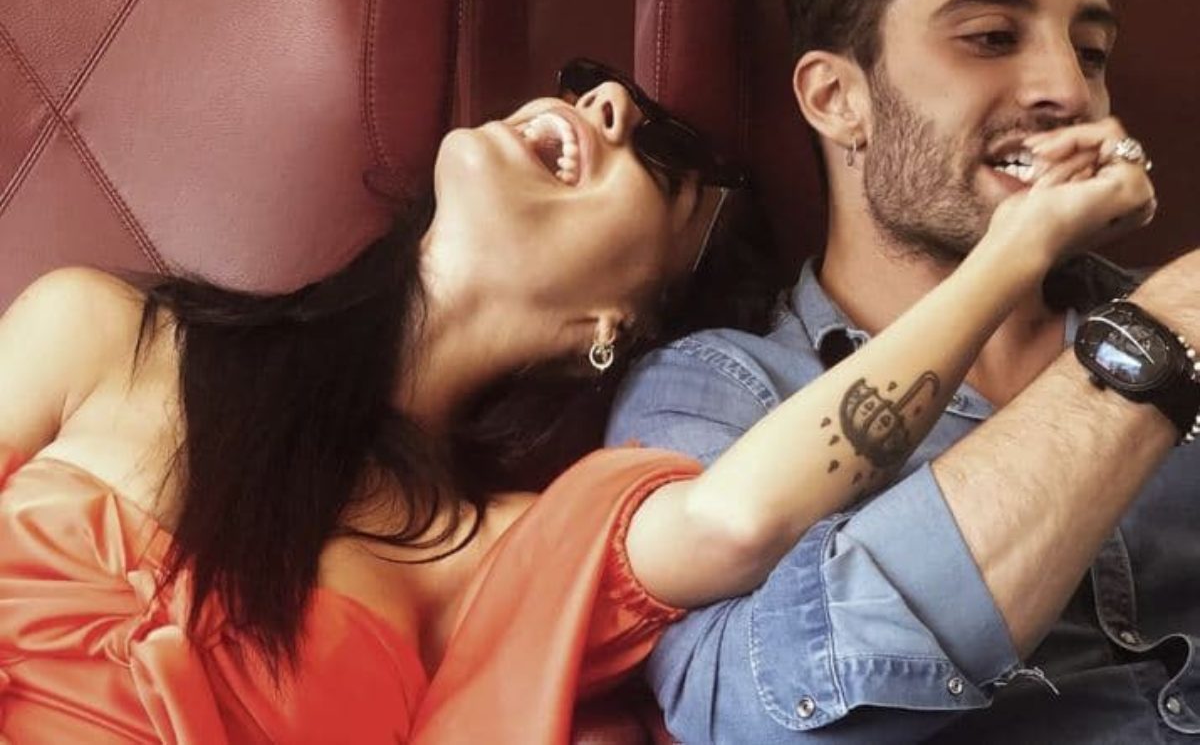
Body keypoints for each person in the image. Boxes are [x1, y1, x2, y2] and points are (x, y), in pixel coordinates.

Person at [0, 41, 1146, 744]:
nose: (607, 107)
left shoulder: (501, 553)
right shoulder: (95, 330)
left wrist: (1015, 253)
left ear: (617, 325)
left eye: (659, 159)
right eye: (593, 86)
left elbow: (738, 517)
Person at [606, 0, 1200, 744]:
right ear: (837, 98)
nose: (1068, 92)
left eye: (1090, 52)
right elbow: (753, 714)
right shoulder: (721, 388)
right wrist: (1152, 338)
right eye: (991, 38)